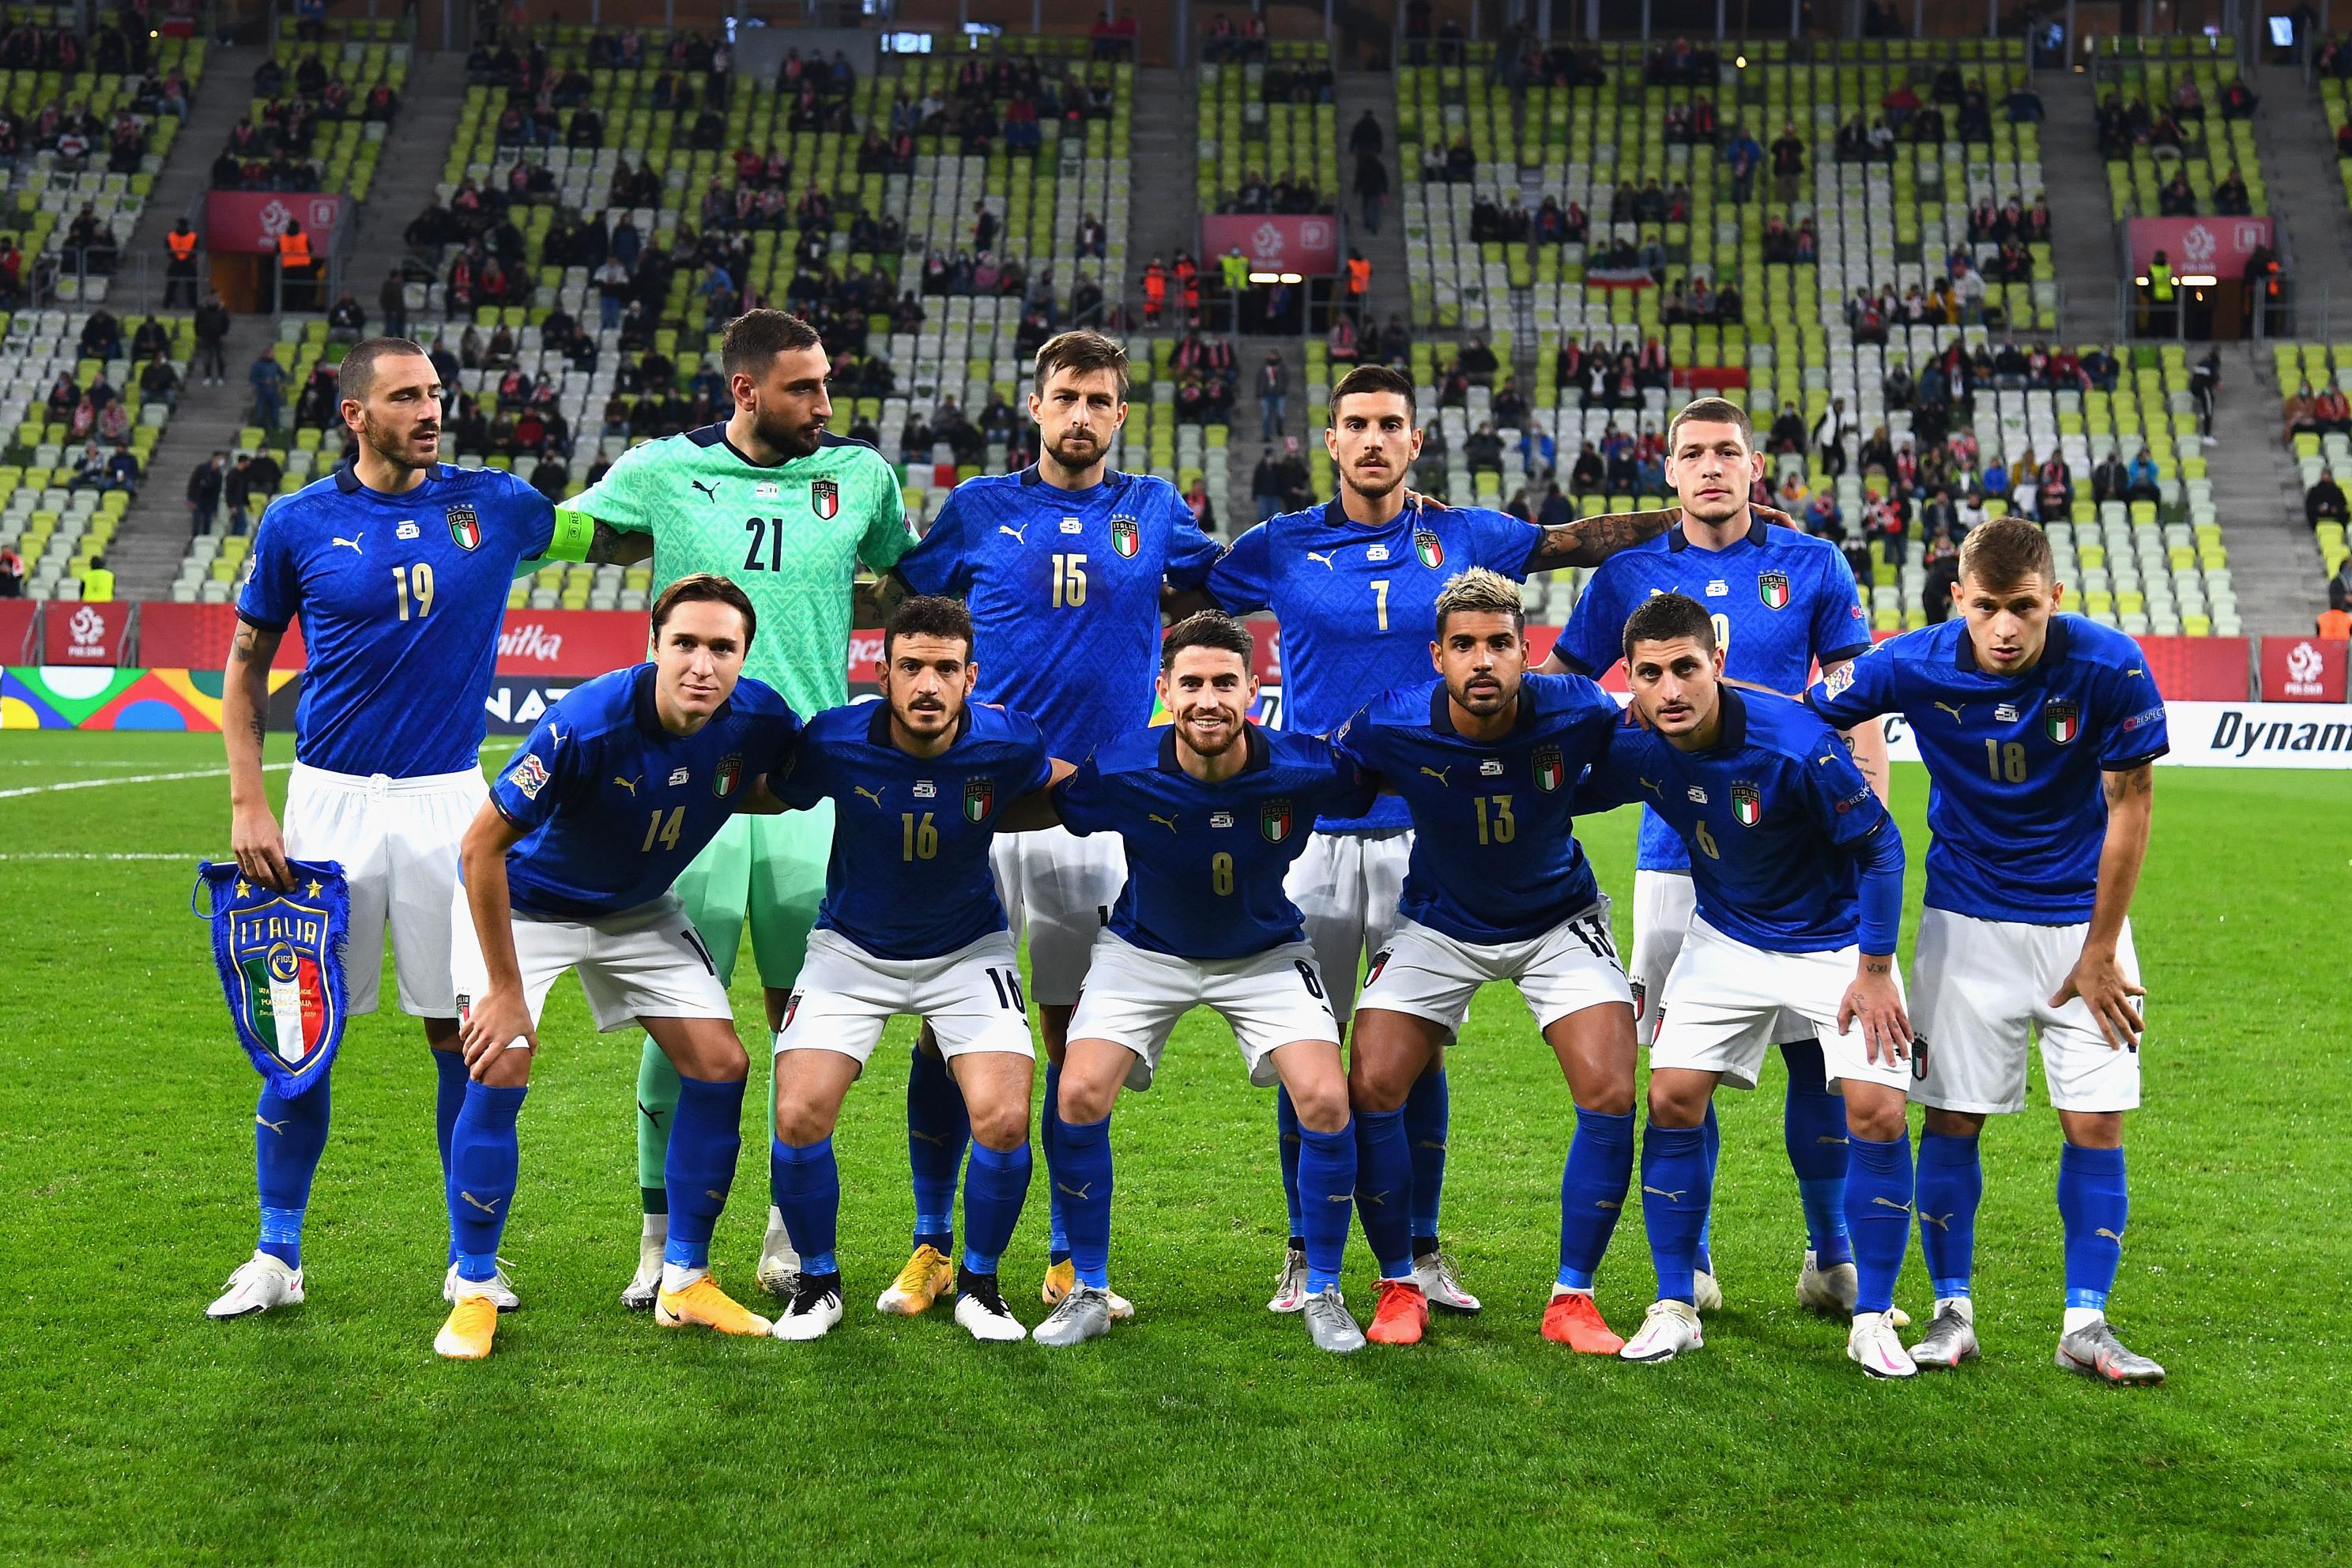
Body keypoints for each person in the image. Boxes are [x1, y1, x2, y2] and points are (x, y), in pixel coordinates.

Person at [1204, 363, 1702, 1312]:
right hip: (1311, 835)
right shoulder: (1279, 544)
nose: (1374, 439)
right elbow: (1184, 588)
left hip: (1432, 837)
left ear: (1415, 439)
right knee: (1308, 1045)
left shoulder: (1465, 533)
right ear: (1332, 441)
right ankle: (1309, 1250)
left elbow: (1574, 543)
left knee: (1412, 1052)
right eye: (1357, 424)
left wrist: (1680, 522)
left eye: (1391, 423)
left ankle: (1421, 1252)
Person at [205, 337, 584, 1323]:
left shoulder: (495, 503)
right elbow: (244, 674)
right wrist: (250, 801)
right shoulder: (299, 522)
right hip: (324, 802)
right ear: (355, 415)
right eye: (406, 397)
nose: (429, 410)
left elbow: (610, 530)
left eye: (435, 394)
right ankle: (276, 1254)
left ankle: (471, 1262)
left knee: (461, 1036)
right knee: (298, 1036)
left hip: (446, 803)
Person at [563, 309, 919, 1310]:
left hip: (810, 782)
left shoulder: (860, 480)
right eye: (805, 388)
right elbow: (575, 528)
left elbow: (915, 575)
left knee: (807, 1027)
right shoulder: (663, 470)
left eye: (827, 385)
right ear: (746, 391)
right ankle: (661, 1242)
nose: (826, 406)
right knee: (679, 1024)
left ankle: (785, 1230)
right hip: (687, 792)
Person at [873, 330, 1221, 1318]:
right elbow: (911, 600)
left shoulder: (1152, 509)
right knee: (947, 1033)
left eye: (1099, 400)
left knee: (1077, 1036)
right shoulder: (982, 508)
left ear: (1120, 413)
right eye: (1064, 396)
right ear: (1037, 405)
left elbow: (1217, 583)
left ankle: (1068, 1253)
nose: (1080, 415)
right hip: (976, 811)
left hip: (1098, 820)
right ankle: (932, 1245)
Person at [1544, 395, 1886, 1321]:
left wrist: (1868, 826)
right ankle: (1687, 1260)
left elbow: (1857, 707)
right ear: (1669, 470)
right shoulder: (1626, 575)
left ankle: (1832, 1253)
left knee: (1821, 1058)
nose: (1710, 468)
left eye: (1726, 452)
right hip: (1676, 852)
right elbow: (1573, 693)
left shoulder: (1812, 563)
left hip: (1806, 850)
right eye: (1692, 453)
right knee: (1681, 1064)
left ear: (1753, 468)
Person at [1807, 516, 2169, 1385]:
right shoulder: (1911, 661)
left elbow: (2132, 805)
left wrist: (2101, 948)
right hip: (1963, 925)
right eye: (1987, 608)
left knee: (2095, 1121)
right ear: (1957, 600)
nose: (2005, 629)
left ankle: (2086, 1323)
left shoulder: (2108, 664)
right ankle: (1951, 1313)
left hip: (2086, 932)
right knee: (1954, 1118)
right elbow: (1806, 714)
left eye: (2024, 609)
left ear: (2055, 600)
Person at [439, 574, 799, 1359]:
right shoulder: (587, 724)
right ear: (655, 645)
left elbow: (779, 783)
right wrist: (503, 991)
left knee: (721, 1063)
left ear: (743, 655)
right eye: (686, 645)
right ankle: (471, 1287)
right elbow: (480, 848)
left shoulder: (763, 716)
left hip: (638, 910)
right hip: (529, 907)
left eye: (722, 647)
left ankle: (684, 1280)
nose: (702, 663)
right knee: (500, 1063)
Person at [1574, 594, 1917, 1376]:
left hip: (1833, 945)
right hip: (1724, 936)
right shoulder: (1637, 745)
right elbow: (1567, 790)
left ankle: (1871, 1315)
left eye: (1686, 668)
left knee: (1877, 1108)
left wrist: (1872, 970)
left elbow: (1882, 846)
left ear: (1717, 664)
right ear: (1629, 678)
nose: (1670, 690)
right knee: (1671, 1096)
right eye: (1650, 673)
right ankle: (1675, 1303)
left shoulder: (1798, 743)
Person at [1020, 612, 1375, 1354]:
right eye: (1191, 684)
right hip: (1143, 949)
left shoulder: (1307, 768)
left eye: (1224, 682)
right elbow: (1058, 803)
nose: (1208, 699)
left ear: (1252, 687)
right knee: (1078, 1091)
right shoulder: (1120, 767)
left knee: (1326, 1098)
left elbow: (1378, 785)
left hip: (1267, 951)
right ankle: (1086, 1288)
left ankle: (1326, 1289)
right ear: (1164, 690)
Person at [1331, 568, 1635, 1351]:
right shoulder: (1390, 723)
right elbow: (1331, 781)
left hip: (1557, 919)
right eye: (1464, 645)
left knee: (1609, 1087)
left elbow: (1644, 759)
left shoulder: (1580, 708)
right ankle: (1400, 1285)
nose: (1483, 660)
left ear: (1525, 649)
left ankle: (1574, 1300)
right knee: (1370, 1081)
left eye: (1500, 643)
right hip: (1438, 922)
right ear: (1437, 655)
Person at [764, 596, 1060, 1344]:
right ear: (884, 671)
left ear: (971, 677)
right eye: (911, 667)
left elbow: (1056, 789)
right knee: (798, 1114)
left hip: (968, 952)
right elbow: (774, 791)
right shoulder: (835, 738)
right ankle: (818, 1285)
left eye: (945, 669)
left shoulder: (1006, 741)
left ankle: (982, 1287)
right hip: (850, 950)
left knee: (1005, 1117)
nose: (927, 685)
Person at [164, 216, 199, 307]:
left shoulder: (193, 236)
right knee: (172, 284)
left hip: (186, 262)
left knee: (191, 284)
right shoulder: (171, 236)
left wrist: (178, 256)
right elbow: (167, 248)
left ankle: (193, 305)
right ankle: (166, 304)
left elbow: (196, 249)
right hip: (178, 262)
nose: (182, 227)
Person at [194, 294, 229, 385]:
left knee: (220, 358)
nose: (213, 301)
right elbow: (197, 323)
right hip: (206, 337)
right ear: (207, 301)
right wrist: (198, 334)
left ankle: (221, 377)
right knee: (207, 358)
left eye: (215, 299)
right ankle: (207, 377)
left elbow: (227, 322)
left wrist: (224, 333)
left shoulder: (222, 311)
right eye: (211, 299)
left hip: (218, 337)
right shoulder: (202, 311)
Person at [249, 347, 287, 432]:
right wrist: (263, 382)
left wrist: (281, 382)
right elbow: (252, 378)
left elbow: (283, 374)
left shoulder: (275, 364)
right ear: (266, 354)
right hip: (262, 391)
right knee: (260, 410)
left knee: (275, 410)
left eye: (273, 353)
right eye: (271, 353)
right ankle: (259, 426)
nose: (273, 355)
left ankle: (274, 427)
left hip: (274, 391)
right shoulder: (257, 365)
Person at [1257, 349, 1287, 442]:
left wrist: (1282, 389)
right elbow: (1259, 380)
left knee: (1280, 414)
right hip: (1266, 395)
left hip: (1279, 394)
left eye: (1274, 356)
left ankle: (1279, 428)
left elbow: (1286, 379)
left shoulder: (1282, 368)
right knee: (1266, 415)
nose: (1272, 357)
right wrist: (1259, 392)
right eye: (1271, 355)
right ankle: (1266, 435)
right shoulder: (1263, 368)